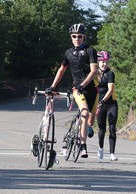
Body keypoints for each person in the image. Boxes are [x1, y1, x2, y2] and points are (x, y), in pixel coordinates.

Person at [45, 23, 98, 158]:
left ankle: (75, 135)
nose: (76, 38)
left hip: (91, 90)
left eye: (79, 36)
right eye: (74, 36)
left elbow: (94, 71)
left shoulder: (90, 51)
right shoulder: (68, 53)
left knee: (88, 120)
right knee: (84, 114)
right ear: (71, 37)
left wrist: (84, 84)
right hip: (78, 89)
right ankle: (83, 146)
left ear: (84, 37)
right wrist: (53, 86)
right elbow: (62, 69)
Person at [96, 51, 118, 161]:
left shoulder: (110, 74)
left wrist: (103, 101)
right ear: (98, 62)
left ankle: (112, 153)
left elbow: (110, 90)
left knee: (112, 128)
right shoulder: (94, 73)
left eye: (106, 62)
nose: (104, 64)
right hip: (99, 104)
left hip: (110, 103)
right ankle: (100, 147)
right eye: (102, 62)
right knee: (102, 129)